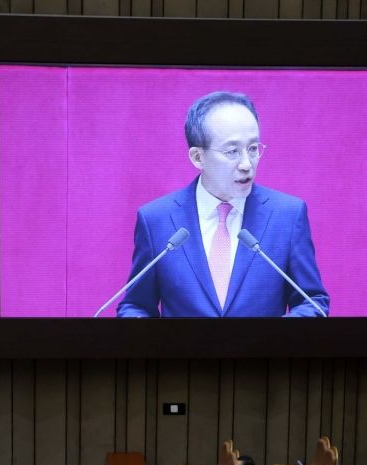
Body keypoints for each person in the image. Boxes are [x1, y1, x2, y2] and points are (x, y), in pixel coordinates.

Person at [117, 91, 328, 319]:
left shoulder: (287, 215)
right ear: (198, 157)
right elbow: (136, 306)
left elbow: (312, 302)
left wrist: (272, 335)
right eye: (232, 151)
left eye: (253, 148)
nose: (246, 164)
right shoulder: (156, 220)